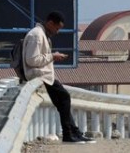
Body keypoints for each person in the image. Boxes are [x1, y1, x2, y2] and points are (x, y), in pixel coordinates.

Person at [23, 11, 95, 143]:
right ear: (50, 23)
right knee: (64, 98)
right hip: (39, 75)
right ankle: (69, 134)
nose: (57, 32)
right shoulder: (37, 35)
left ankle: (73, 132)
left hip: (44, 75)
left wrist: (52, 56)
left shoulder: (41, 34)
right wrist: (53, 56)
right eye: (57, 28)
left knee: (63, 102)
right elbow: (31, 60)